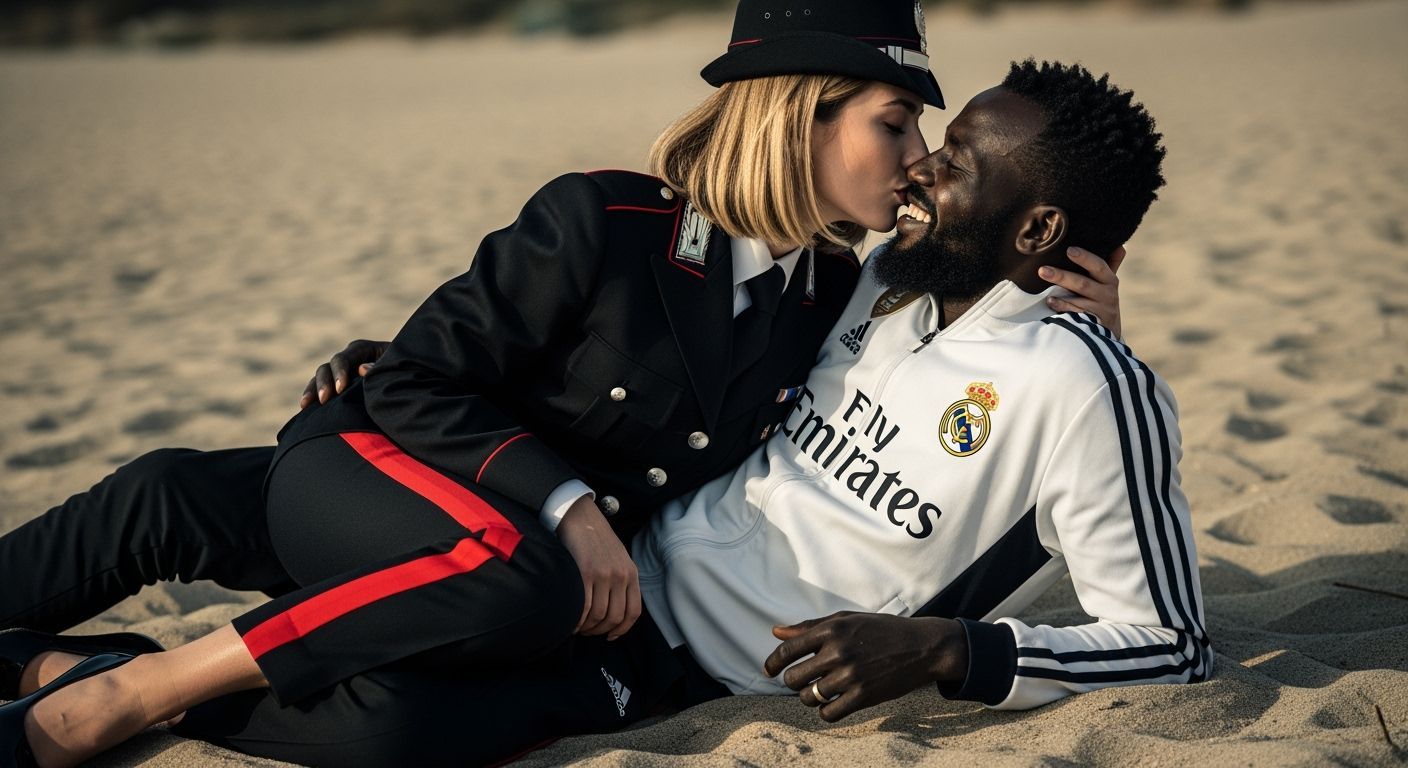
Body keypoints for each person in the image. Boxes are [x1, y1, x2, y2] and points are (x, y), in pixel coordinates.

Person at [0, 6, 1124, 768]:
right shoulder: (604, 219)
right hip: (394, 485)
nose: (916, 152)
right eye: (893, 122)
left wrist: (1079, 316)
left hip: (512, 580)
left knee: (402, 728)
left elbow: (973, 317)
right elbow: (421, 382)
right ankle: (123, 702)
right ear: (800, 117)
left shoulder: (828, 295)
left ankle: (68, 669)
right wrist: (568, 505)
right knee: (470, 566)